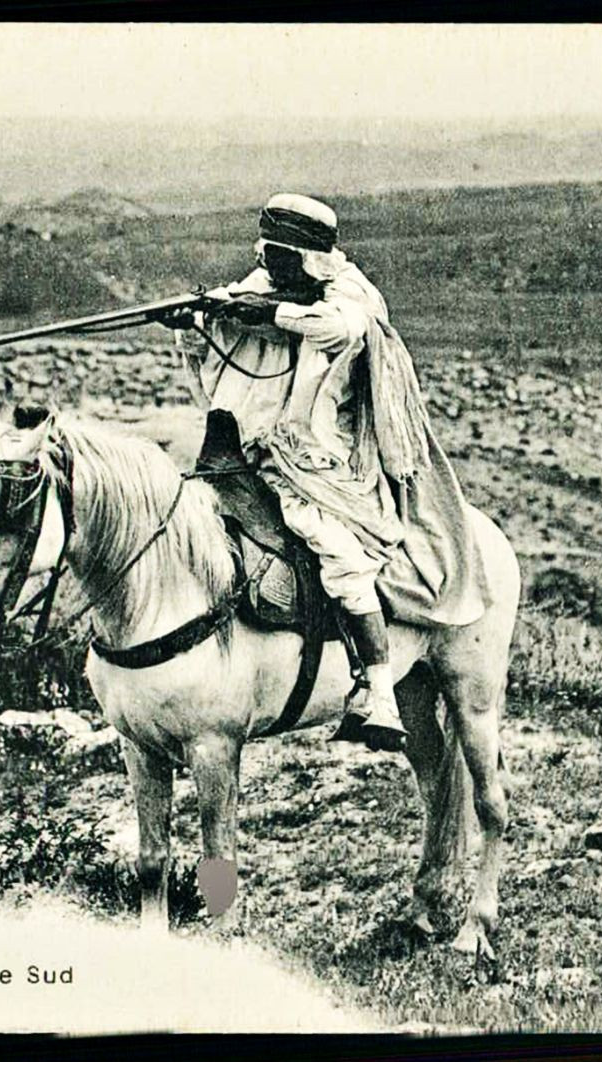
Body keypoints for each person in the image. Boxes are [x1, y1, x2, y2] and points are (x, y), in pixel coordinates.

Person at [159, 193, 486, 752]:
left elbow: (340, 328)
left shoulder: (350, 292)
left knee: (337, 553)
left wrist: (270, 313)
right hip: (247, 453)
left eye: (284, 260)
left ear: (309, 258)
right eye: (269, 257)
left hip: (321, 465)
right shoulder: (261, 285)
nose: (271, 269)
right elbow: (237, 329)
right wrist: (193, 323)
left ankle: (377, 690)